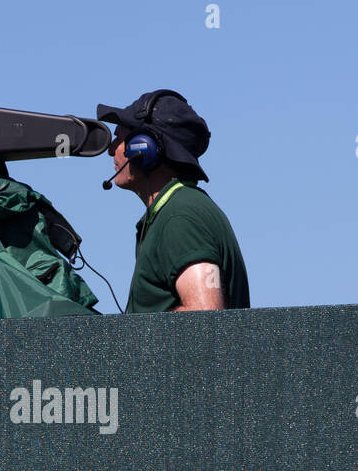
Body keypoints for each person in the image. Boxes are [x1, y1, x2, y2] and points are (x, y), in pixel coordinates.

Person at [97, 90, 250, 314]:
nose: (110, 150)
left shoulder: (180, 218)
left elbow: (204, 314)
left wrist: (134, 340)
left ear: (144, 147)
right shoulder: (177, 210)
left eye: (119, 139)